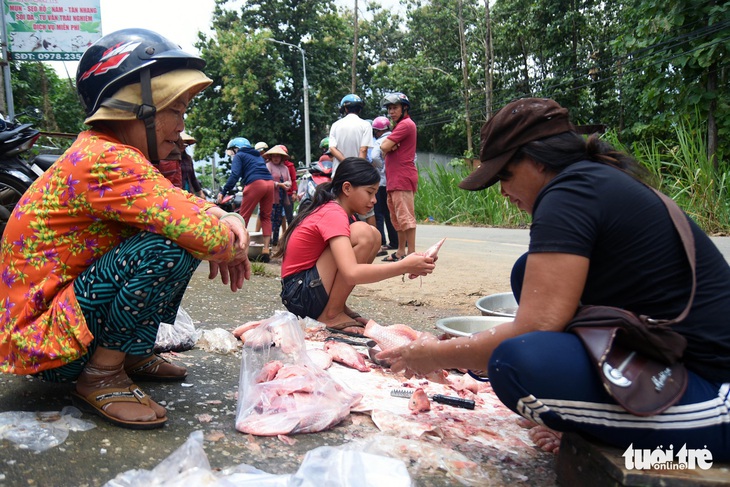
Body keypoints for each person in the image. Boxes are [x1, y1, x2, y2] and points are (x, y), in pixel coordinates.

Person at [378, 97, 730, 460]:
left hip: (715, 393)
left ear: (536, 160)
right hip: (666, 360)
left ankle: (606, 424)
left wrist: (435, 355)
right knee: (526, 271)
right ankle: (593, 417)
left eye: (505, 175)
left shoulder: (569, 193)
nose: (503, 192)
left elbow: (537, 328)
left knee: (514, 364)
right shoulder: (591, 180)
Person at [0, 28, 251, 430]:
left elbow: (181, 204)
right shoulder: (105, 160)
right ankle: (101, 372)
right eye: (177, 109)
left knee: (172, 236)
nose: (182, 128)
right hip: (47, 346)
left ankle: (130, 353)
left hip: (55, 327)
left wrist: (229, 216)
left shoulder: (106, 153)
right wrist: (229, 241)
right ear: (137, 107)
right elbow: (202, 234)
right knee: (167, 247)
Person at [274, 157, 436, 335]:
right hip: (299, 295)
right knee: (365, 234)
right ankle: (331, 314)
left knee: (373, 235)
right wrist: (403, 266)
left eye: (375, 194)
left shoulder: (341, 213)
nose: (374, 200)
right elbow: (351, 272)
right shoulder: (332, 212)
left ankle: (336, 307)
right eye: (369, 192)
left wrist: (417, 261)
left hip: (303, 292)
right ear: (347, 188)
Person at [218, 137, 274, 262]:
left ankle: (241, 249)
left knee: (243, 217)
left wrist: (223, 191)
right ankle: (265, 249)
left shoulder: (240, 155)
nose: (232, 154)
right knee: (266, 216)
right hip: (270, 183)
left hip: (255, 184)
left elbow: (234, 175)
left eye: (232, 151)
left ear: (237, 148)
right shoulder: (257, 155)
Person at [380, 92, 418, 262]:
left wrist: (388, 146)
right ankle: (401, 251)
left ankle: (412, 253)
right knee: (397, 218)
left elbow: (384, 145)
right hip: (394, 179)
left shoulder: (405, 125)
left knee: (405, 217)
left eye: (395, 108)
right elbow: (384, 149)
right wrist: (387, 147)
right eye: (389, 109)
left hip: (402, 178)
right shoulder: (399, 126)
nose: (391, 112)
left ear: (404, 108)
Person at [371, 116, 398, 256]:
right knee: (392, 213)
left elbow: (375, 157)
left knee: (379, 214)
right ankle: (396, 241)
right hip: (394, 181)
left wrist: (381, 167)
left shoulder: (379, 141)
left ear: (377, 131)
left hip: (381, 183)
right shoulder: (396, 137)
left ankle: (381, 241)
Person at [328, 94, 372, 177]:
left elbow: (332, 148)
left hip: (339, 172)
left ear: (345, 109)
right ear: (359, 109)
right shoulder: (366, 125)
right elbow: (363, 150)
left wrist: (347, 163)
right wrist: (356, 168)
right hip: (357, 174)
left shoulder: (335, 125)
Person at [264, 144, 293, 248]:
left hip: (281, 196)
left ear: (281, 157)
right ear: (271, 157)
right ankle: (268, 240)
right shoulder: (268, 166)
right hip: (270, 197)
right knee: (270, 218)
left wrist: (287, 185)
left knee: (279, 219)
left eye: (278, 156)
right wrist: (279, 184)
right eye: (274, 156)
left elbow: (289, 181)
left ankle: (275, 241)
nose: (276, 158)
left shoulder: (285, 168)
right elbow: (267, 181)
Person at [179, 132, 205, 198]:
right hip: (177, 191)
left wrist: (200, 193)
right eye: (181, 143)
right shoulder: (170, 159)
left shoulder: (188, 159)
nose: (183, 146)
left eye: (185, 144)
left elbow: (193, 177)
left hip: (188, 189)